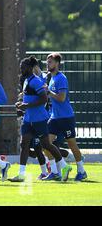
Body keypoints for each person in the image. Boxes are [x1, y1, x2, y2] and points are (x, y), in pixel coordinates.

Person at [9, 56, 71, 182]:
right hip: (28, 119)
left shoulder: (36, 81)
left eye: (24, 67)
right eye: (21, 67)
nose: (21, 69)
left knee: (46, 145)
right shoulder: (26, 80)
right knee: (24, 143)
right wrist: (22, 107)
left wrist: (27, 105)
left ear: (31, 68)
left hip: (39, 119)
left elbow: (43, 99)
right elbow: (29, 99)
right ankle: (21, 174)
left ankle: (64, 166)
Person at [44, 53, 87, 181]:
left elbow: (62, 98)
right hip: (54, 118)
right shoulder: (51, 78)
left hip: (66, 117)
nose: (48, 64)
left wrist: (49, 92)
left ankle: (81, 171)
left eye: (50, 62)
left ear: (57, 63)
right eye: (47, 62)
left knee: (72, 144)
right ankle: (56, 171)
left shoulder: (61, 78)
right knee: (45, 144)